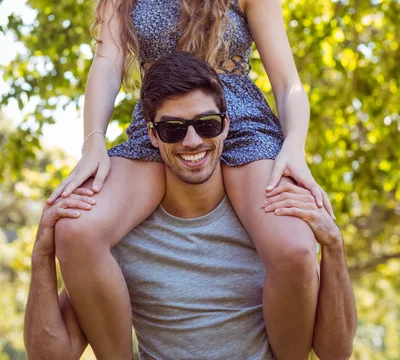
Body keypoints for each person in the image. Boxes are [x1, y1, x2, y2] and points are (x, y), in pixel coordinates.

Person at [47, 0, 336, 360]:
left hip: (243, 127)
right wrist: (92, 145)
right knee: (76, 235)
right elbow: (107, 63)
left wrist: (293, 150)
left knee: (295, 250)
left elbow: (288, 83)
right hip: (157, 129)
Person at [25, 53, 357, 360]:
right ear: (152, 136)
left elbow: (335, 352)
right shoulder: (120, 237)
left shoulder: (269, 226)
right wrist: (41, 256)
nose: (192, 141)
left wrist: (333, 245)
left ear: (226, 124)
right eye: (173, 129)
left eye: (207, 123)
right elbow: (52, 356)